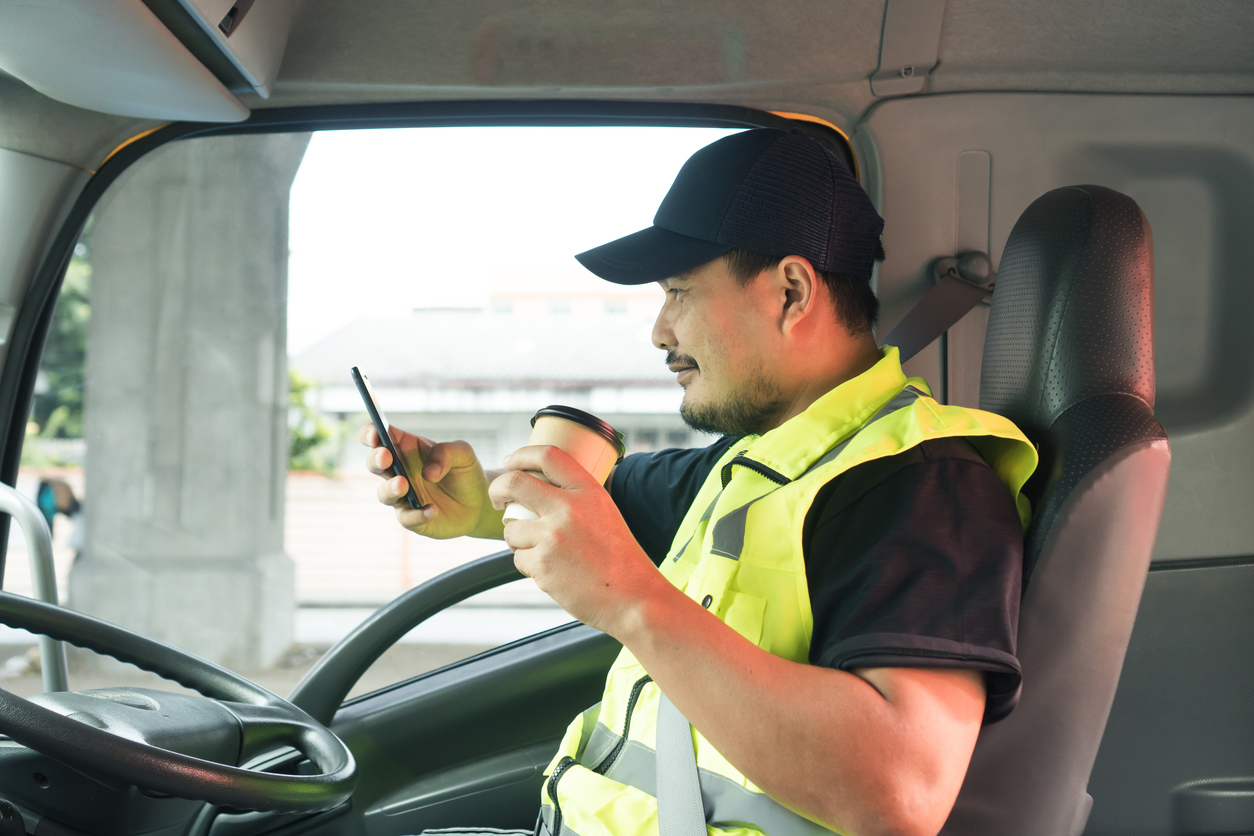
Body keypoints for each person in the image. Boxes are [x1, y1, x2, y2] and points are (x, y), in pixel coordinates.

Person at [362, 128, 1037, 836]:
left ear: (791, 292)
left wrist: (630, 601)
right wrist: (480, 502)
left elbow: (900, 793)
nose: (659, 332)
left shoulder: (924, 485)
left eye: (679, 292)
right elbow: (598, 506)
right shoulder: (754, 462)